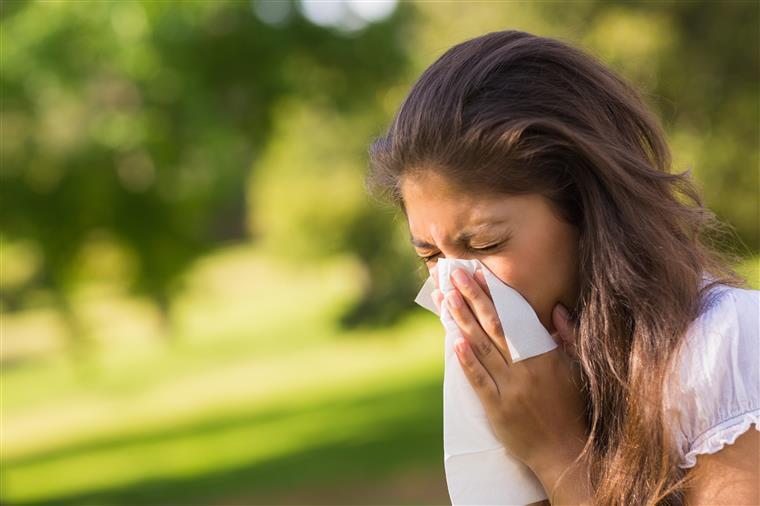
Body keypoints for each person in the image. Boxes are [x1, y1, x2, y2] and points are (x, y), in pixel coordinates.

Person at [365, 30, 759, 505]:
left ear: (584, 208)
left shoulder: (723, 348)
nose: (457, 285)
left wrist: (557, 453)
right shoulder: (536, 385)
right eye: (430, 255)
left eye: (486, 242)